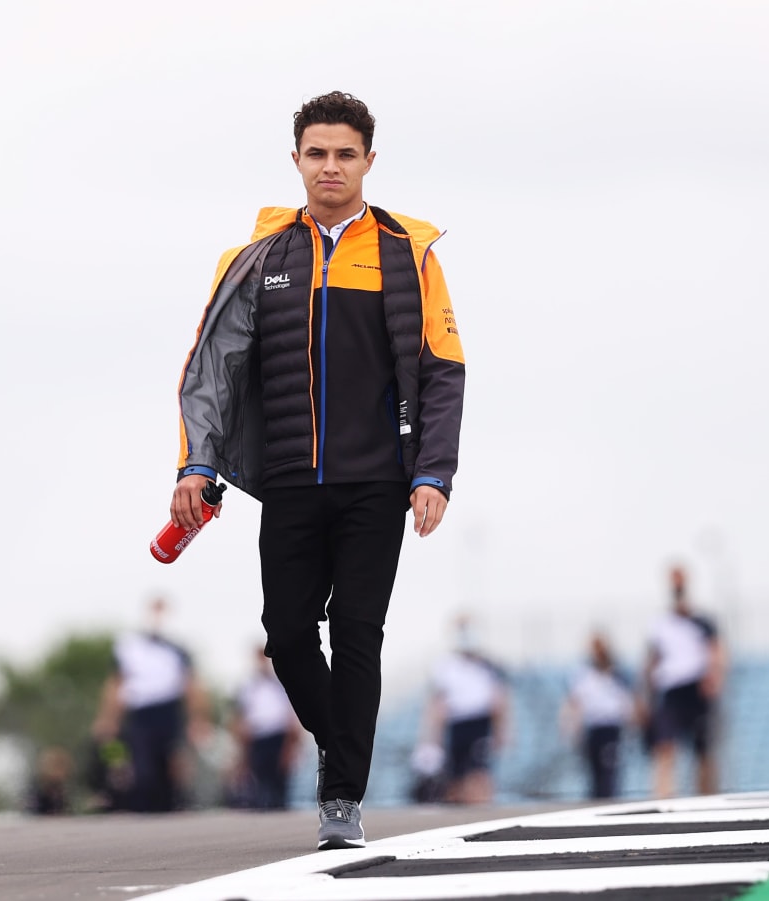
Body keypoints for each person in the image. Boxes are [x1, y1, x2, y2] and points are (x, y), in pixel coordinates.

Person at [169, 91, 465, 849]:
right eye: (316, 153)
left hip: (378, 483)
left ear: (368, 160)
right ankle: (344, 745)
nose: (330, 166)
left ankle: (341, 797)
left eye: (345, 153)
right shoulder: (258, 259)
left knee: (357, 632)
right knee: (289, 636)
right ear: (296, 159)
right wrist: (195, 466)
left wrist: (433, 472)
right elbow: (213, 372)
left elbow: (443, 370)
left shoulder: (409, 253)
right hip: (291, 481)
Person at [91, 599, 210, 812]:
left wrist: (198, 719)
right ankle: (145, 811)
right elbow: (116, 684)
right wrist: (108, 719)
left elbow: (191, 685)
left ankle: (172, 808)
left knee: (172, 767)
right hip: (141, 713)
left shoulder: (177, 648)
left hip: (169, 711)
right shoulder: (128, 647)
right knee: (143, 767)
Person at [646, 566, 726, 798]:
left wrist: (715, 677)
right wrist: (647, 694)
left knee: (703, 750)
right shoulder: (660, 625)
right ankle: (664, 798)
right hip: (671, 690)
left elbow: (716, 651)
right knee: (665, 746)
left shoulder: (702, 622)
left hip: (697, 688)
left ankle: (706, 797)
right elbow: (653, 659)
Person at [425, 618, 509, 804]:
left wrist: (500, 729)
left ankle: (484, 808)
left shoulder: (489, 665)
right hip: (456, 723)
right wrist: (433, 737)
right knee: (456, 774)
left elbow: (499, 699)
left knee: (479, 771)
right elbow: (438, 702)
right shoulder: (444, 665)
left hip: (480, 722)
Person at [562, 633, 636, 799]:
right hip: (593, 727)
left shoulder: (618, 675)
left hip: (611, 728)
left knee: (609, 770)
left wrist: (632, 724)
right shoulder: (583, 674)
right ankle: (596, 801)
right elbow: (575, 702)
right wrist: (572, 727)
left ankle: (608, 800)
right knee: (593, 770)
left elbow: (628, 703)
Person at [229, 645, 303, 810]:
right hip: (258, 739)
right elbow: (240, 716)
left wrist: (291, 745)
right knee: (260, 781)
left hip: (279, 738)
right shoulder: (249, 687)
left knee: (279, 781)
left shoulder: (281, 684)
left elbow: (292, 716)